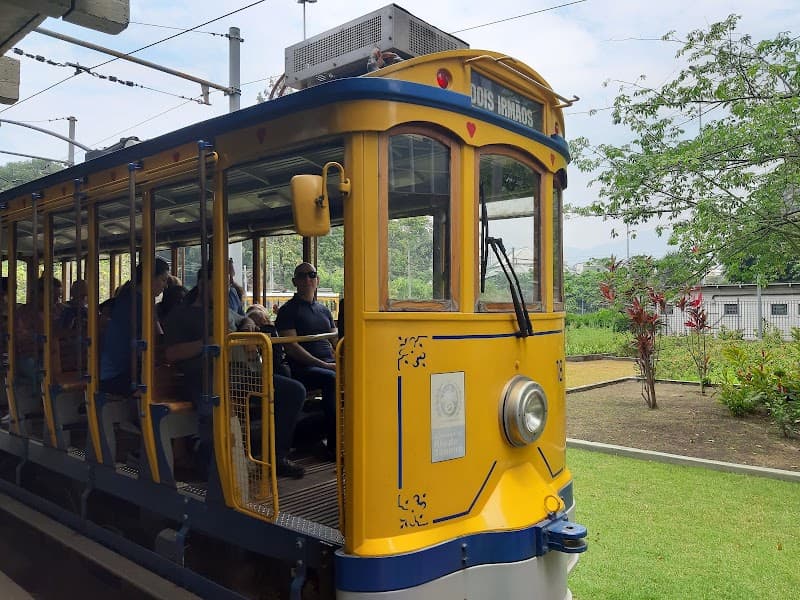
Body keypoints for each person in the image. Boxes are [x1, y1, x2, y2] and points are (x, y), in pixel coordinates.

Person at [275, 262, 338, 458]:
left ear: (317, 280)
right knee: (331, 379)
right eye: (302, 276)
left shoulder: (324, 311)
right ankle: (334, 446)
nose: (308, 279)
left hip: (329, 365)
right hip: (304, 369)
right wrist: (325, 364)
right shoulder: (288, 311)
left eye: (312, 275)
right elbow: (292, 348)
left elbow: (336, 341)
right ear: (295, 282)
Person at [99, 258, 170, 397]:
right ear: (149, 278)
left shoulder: (133, 299)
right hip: (119, 375)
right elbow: (154, 339)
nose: (165, 286)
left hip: (119, 371)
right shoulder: (136, 304)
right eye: (163, 280)